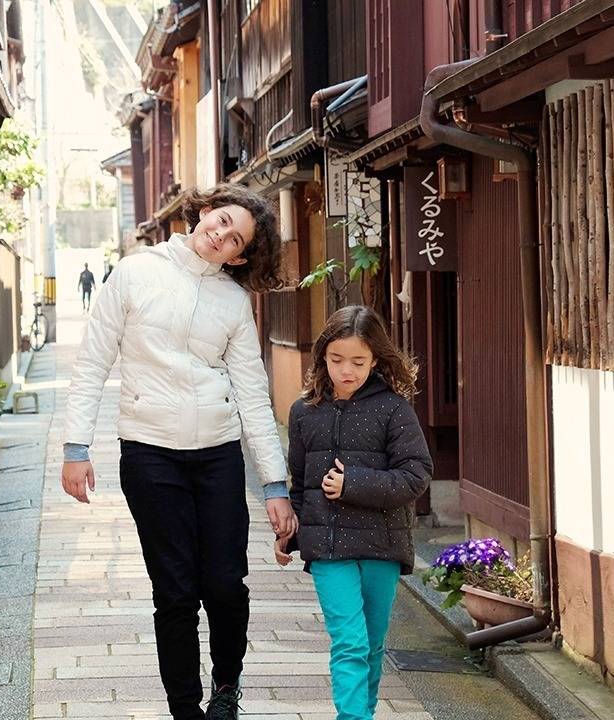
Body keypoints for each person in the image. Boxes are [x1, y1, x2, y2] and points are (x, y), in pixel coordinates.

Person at [61, 184, 298, 720]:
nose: (220, 235)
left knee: (226, 587)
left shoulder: (234, 302)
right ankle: (185, 710)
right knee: (174, 592)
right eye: (221, 221)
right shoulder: (135, 272)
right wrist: (77, 447)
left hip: (217, 455)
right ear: (205, 212)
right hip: (150, 453)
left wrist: (274, 485)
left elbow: (254, 396)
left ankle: (225, 689)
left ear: (240, 256)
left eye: (234, 238)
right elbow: (92, 363)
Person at [275, 305, 433, 720]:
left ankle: (364, 712)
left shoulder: (395, 409)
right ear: (323, 356)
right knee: (349, 640)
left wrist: (354, 483)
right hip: (328, 548)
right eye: (337, 359)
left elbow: (417, 474)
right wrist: (290, 533)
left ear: (376, 360)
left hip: (382, 544)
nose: (347, 370)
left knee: (373, 643)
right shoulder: (304, 412)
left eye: (359, 361)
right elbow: (301, 482)